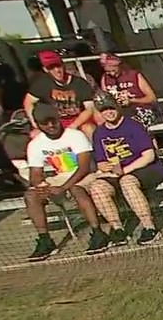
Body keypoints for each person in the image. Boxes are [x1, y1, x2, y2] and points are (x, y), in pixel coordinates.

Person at [23, 103, 109, 260]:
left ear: (58, 118)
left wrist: (64, 187)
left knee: (77, 190)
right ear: (38, 124)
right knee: (31, 195)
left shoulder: (74, 135)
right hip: (60, 177)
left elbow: (84, 167)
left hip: (85, 174)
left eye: (53, 121)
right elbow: (35, 173)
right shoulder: (35, 144)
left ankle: (98, 232)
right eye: (45, 123)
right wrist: (40, 185)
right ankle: (45, 240)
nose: (50, 125)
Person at [88, 92, 163, 246]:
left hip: (145, 168)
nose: (109, 112)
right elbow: (100, 161)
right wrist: (103, 166)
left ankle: (149, 227)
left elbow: (149, 155)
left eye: (111, 108)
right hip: (115, 172)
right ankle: (118, 229)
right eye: (104, 110)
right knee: (97, 187)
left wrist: (125, 171)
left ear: (117, 106)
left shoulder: (133, 125)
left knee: (127, 182)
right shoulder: (99, 133)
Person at [24, 50, 97, 138]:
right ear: (45, 69)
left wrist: (73, 126)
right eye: (51, 68)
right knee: (35, 134)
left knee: (89, 128)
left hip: (78, 119)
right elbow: (28, 102)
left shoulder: (79, 83)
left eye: (58, 66)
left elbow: (89, 109)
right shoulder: (41, 83)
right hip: (55, 121)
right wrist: (35, 123)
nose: (57, 70)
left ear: (63, 65)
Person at [97, 52, 160, 130]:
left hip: (140, 110)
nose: (112, 74)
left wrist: (132, 101)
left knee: (131, 124)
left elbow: (152, 98)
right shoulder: (105, 78)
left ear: (118, 66)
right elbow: (106, 100)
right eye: (108, 71)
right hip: (119, 112)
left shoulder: (134, 75)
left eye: (113, 70)